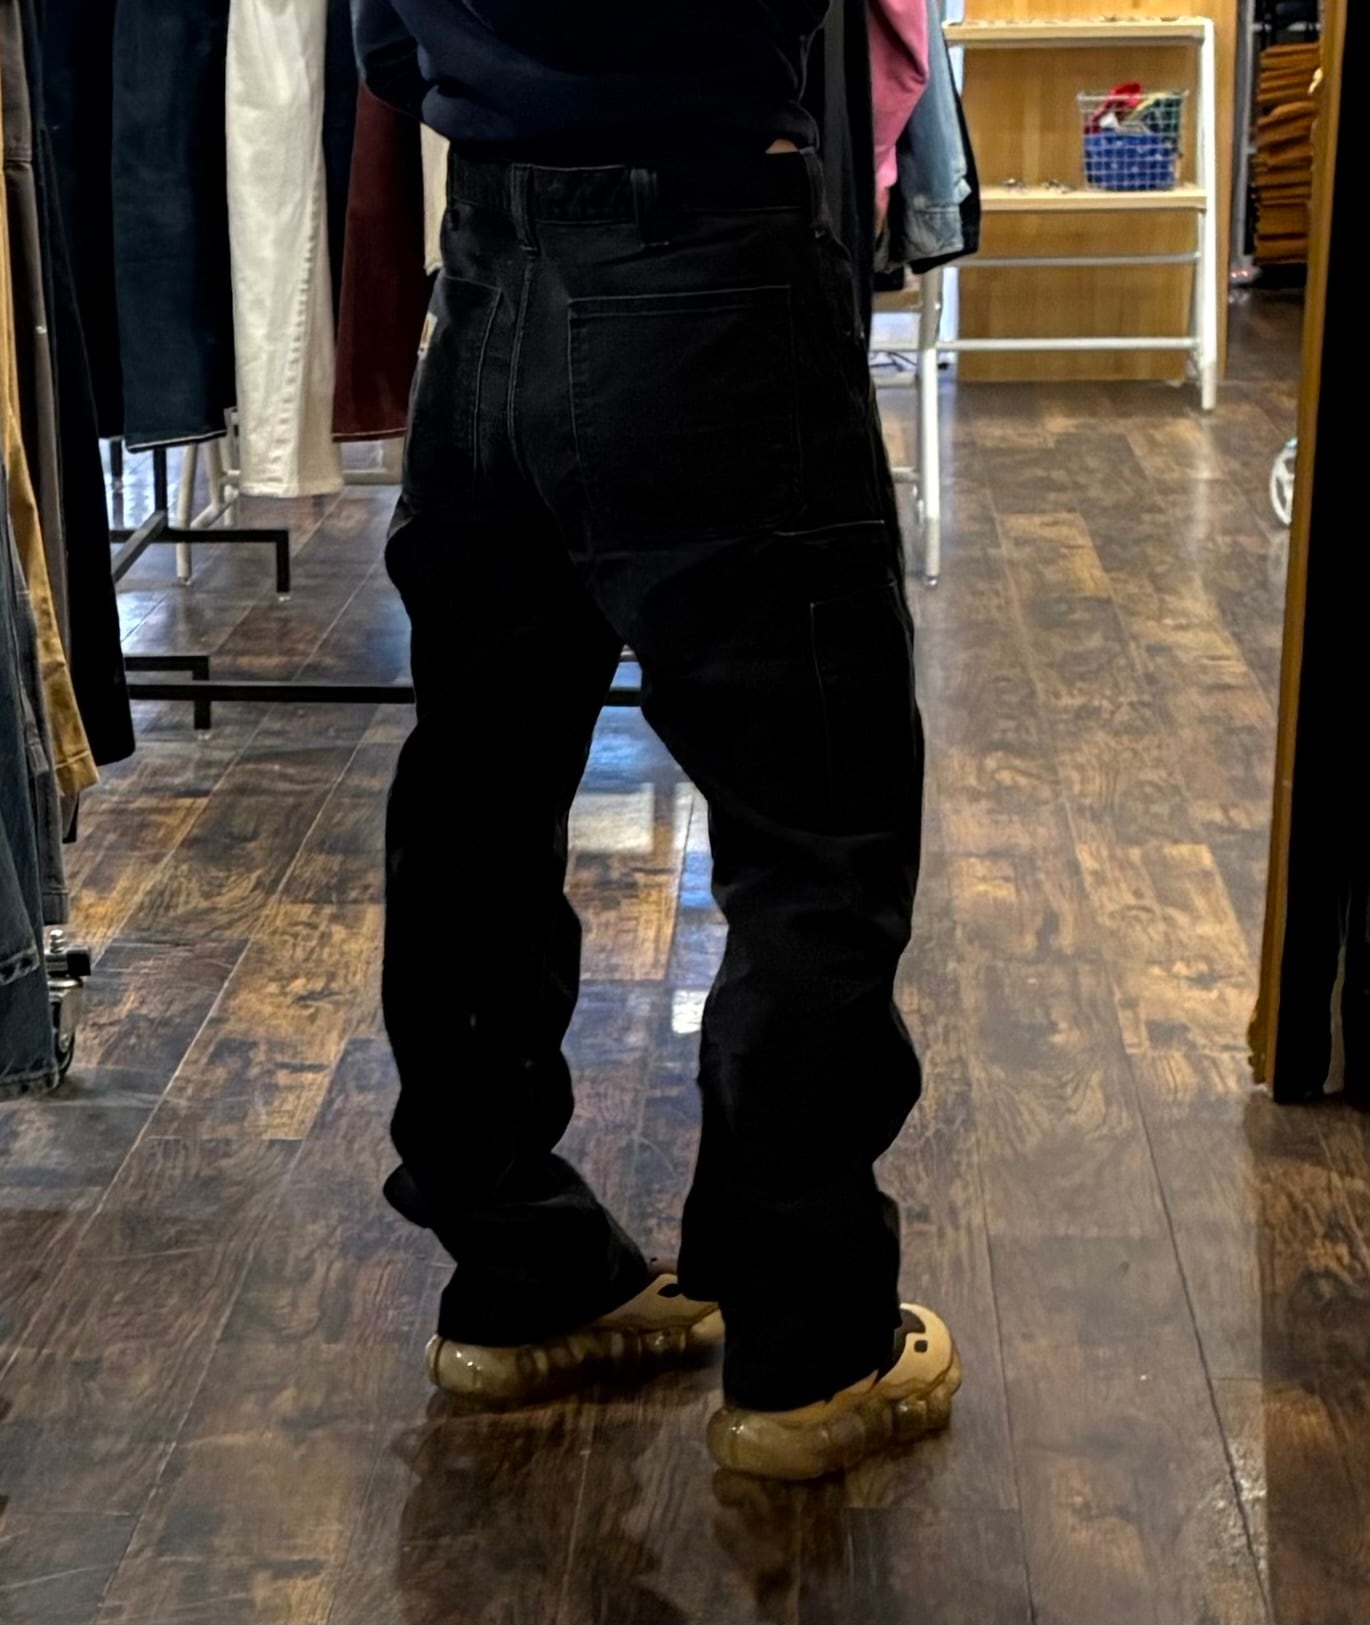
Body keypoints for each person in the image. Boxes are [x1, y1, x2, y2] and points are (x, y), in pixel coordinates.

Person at [353, 0, 959, 1481]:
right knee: (813, 821)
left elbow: (384, 46)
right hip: (703, 257)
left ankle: (515, 1266)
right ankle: (809, 1345)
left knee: (478, 802)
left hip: (488, 275)